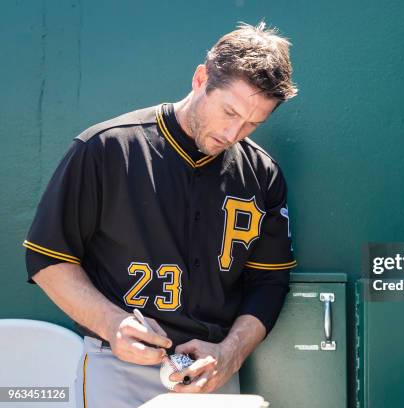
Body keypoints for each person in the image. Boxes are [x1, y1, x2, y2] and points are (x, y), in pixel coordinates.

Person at [22, 21, 298, 407]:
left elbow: (269, 283)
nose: (234, 132)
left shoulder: (262, 172)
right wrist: (111, 323)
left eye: (253, 123)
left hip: (211, 372)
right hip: (117, 364)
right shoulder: (107, 148)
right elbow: (47, 258)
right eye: (229, 112)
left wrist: (232, 352)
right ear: (201, 79)